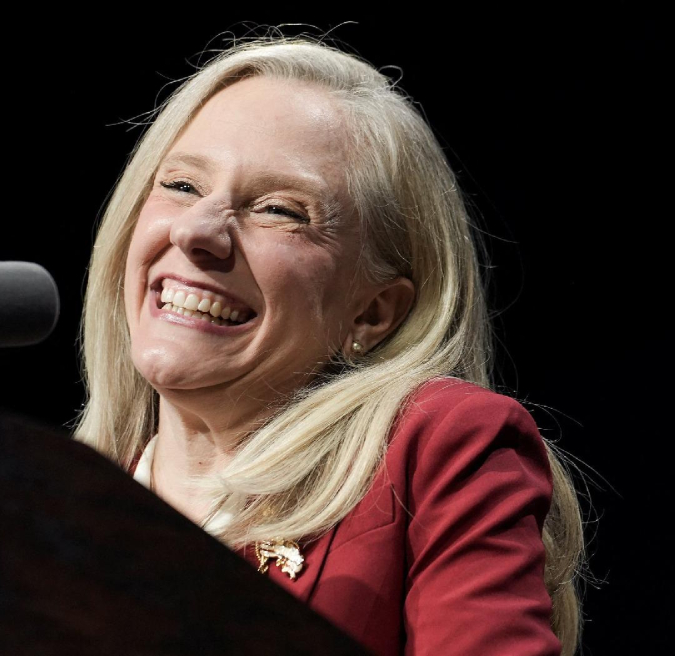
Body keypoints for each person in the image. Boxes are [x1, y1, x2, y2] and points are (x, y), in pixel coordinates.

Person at [75, 36, 585, 655]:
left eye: (280, 210)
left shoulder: (435, 451)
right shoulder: (47, 506)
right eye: (182, 184)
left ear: (373, 313)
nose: (197, 231)